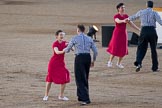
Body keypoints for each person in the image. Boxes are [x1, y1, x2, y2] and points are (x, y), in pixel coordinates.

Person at [63, 24, 98, 105]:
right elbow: (95, 51)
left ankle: (85, 99)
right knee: (85, 77)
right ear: (84, 30)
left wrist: (65, 47)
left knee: (79, 78)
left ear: (78, 30)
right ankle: (81, 96)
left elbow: (67, 50)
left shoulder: (74, 38)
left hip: (79, 58)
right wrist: (93, 61)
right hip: (87, 58)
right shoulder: (89, 38)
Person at [128, 1, 162, 72]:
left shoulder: (141, 12)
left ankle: (138, 63)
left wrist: (127, 19)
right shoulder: (154, 12)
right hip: (152, 31)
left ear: (146, 5)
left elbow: (133, 17)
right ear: (152, 6)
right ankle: (154, 67)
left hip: (143, 31)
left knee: (141, 48)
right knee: (153, 50)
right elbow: (160, 22)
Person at [107, 3, 140, 68]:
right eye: (122, 7)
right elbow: (118, 21)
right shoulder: (116, 16)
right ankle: (110, 61)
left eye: (124, 7)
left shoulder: (126, 16)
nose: (123, 9)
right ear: (118, 9)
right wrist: (123, 21)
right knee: (115, 47)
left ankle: (119, 63)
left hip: (123, 33)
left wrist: (139, 29)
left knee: (123, 48)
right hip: (117, 33)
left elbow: (131, 24)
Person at [43, 30, 70, 101]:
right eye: (60, 35)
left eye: (62, 35)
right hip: (53, 64)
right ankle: (46, 95)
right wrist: (64, 50)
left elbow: (71, 47)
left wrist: (70, 47)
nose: (61, 36)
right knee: (49, 80)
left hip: (61, 64)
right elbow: (57, 52)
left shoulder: (65, 43)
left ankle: (61, 96)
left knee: (64, 79)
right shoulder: (55, 44)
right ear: (56, 36)